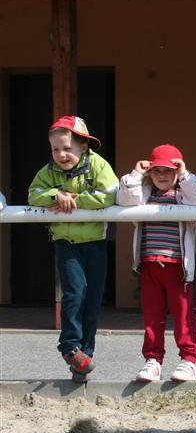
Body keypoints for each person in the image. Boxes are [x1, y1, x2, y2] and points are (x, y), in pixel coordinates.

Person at [27, 115, 118, 382]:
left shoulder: (99, 165)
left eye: (67, 148)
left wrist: (75, 201)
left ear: (84, 146)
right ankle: (69, 346)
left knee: (93, 300)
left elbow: (110, 195)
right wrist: (56, 195)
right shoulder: (48, 171)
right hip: (66, 243)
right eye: (56, 149)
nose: (61, 154)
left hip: (96, 242)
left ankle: (83, 358)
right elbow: (33, 194)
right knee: (74, 294)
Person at [117, 144, 196, 382]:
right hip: (150, 264)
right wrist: (136, 174)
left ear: (177, 172)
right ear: (150, 173)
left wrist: (185, 174)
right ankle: (153, 360)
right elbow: (125, 198)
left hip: (178, 266)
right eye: (157, 171)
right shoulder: (144, 193)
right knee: (152, 316)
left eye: (169, 171)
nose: (163, 176)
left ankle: (188, 360)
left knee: (183, 316)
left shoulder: (182, 195)